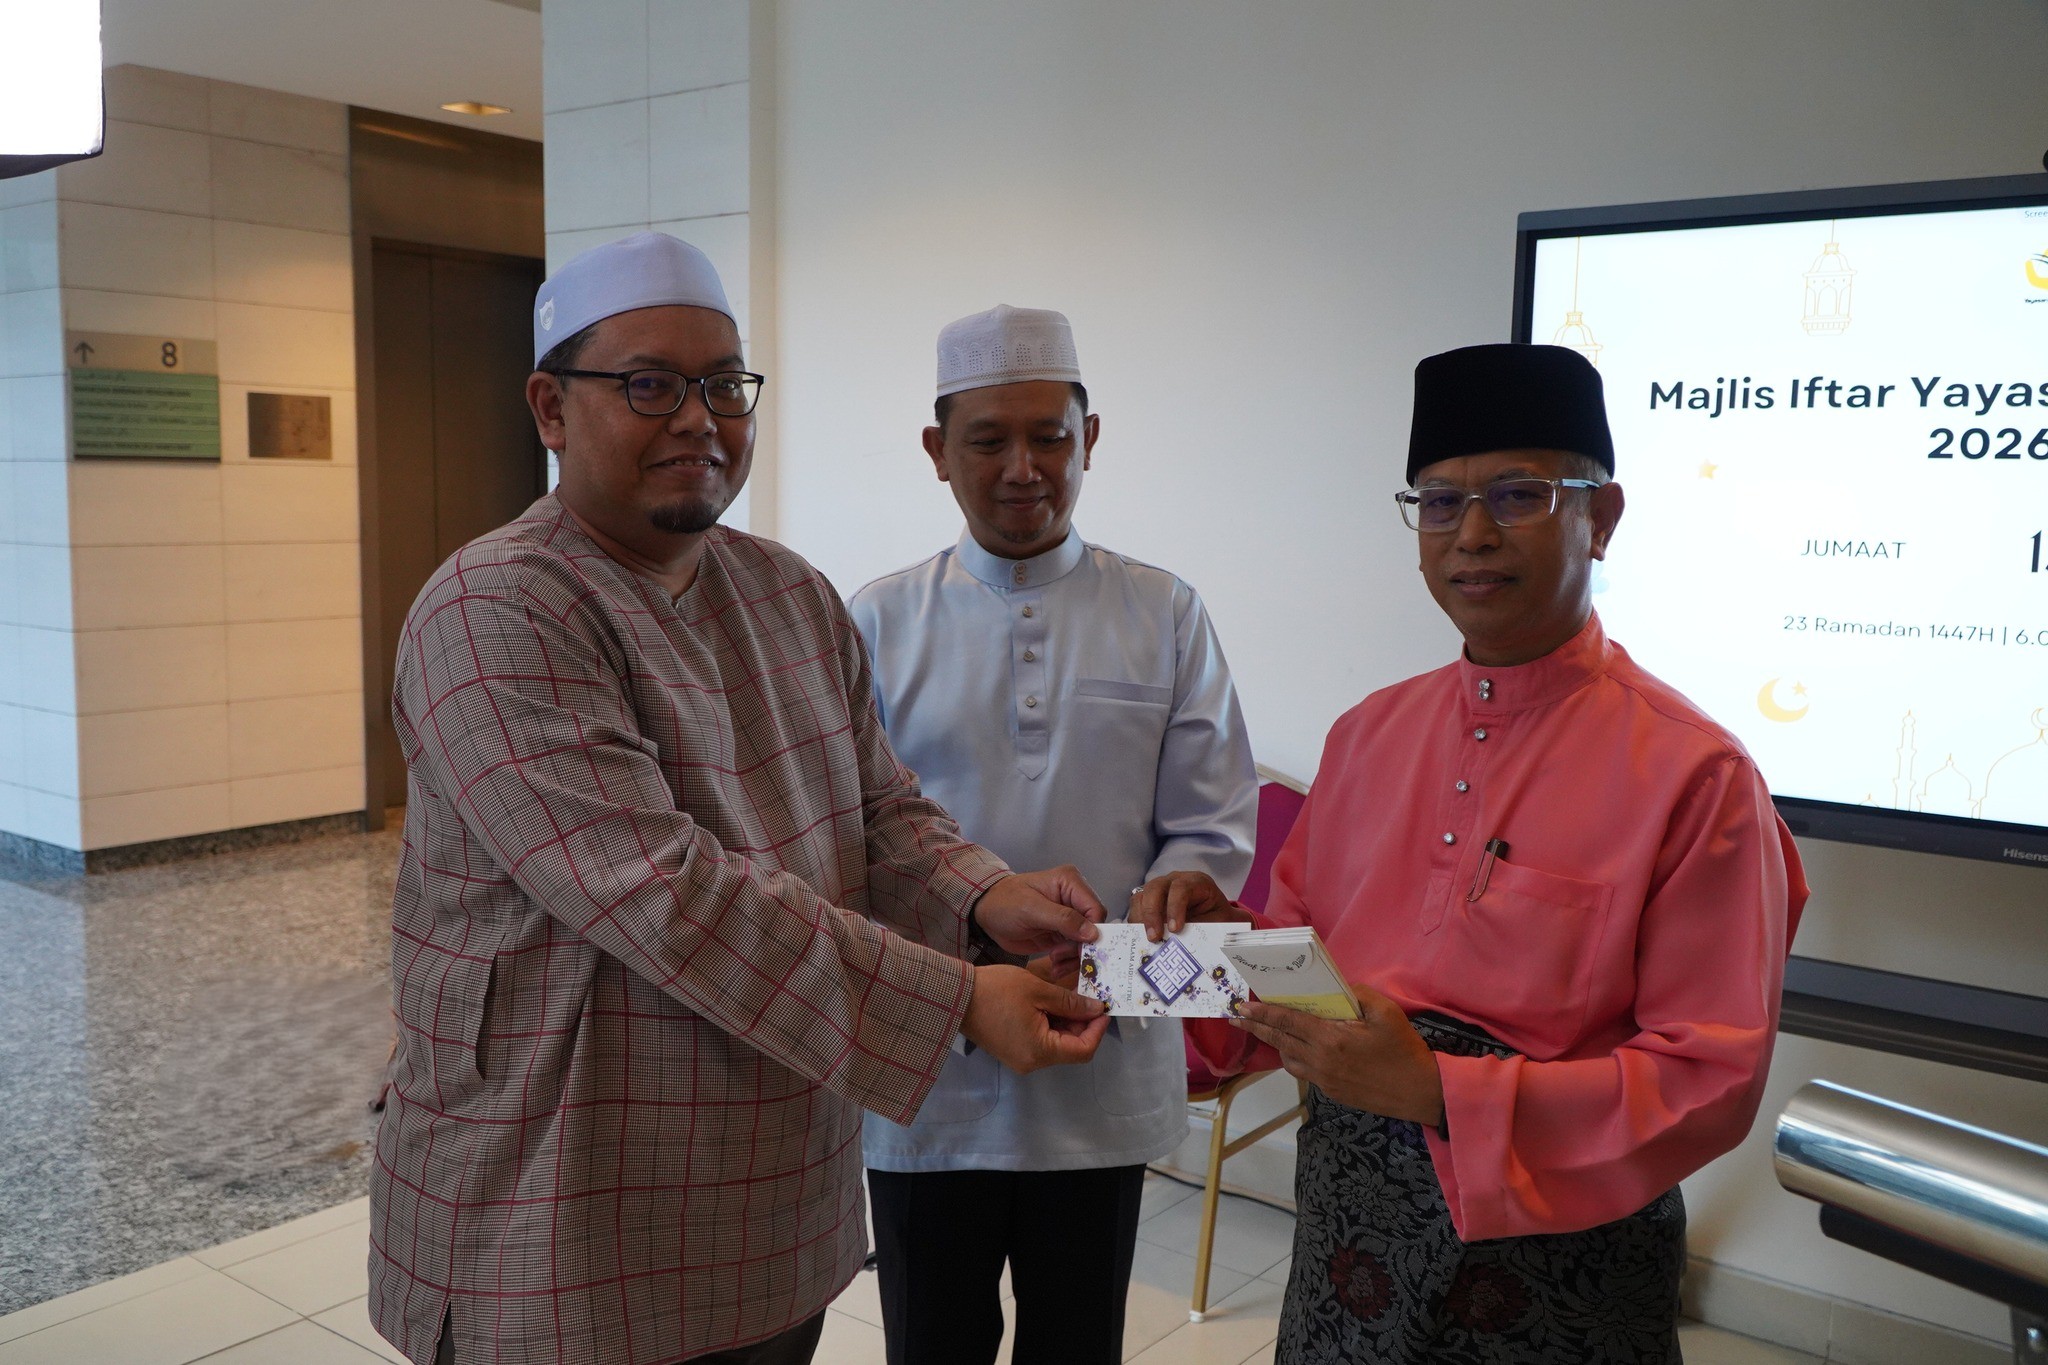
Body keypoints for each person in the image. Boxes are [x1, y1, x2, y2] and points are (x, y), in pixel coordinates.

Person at [367, 234, 1115, 1365]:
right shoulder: (495, 609)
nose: (698, 420)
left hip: (773, 1201)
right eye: (649, 385)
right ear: (550, 409)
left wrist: (984, 894)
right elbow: (668, 898)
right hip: (559, 1198)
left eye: (723, 386)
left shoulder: (787, 592)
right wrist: (960, 1000)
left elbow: (877, 807)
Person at [1138, 343, 1807, 1364]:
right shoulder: (1369, 734)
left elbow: (1706, 1079)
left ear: (1602, 516)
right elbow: (1297, 970)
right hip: (1348, 1252)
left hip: (1560, 1277)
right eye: (1441, 503)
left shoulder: (1694, 774)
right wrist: (1200, 942)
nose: (1474, 535)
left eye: (1518, 495)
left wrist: (1439, 1093)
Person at [851, 304, 1259, 1365]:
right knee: (930, 1346)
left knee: (1078, 1345)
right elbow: (851, 836)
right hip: (928, 1073)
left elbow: (1210, 823)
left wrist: (1180, 885)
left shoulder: (1163, 612)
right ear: (938, 450)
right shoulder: (875, 622)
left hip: (1102, 1051)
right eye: (988, 440)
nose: (1023, 468)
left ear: (1091, 438)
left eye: (1050, 437)